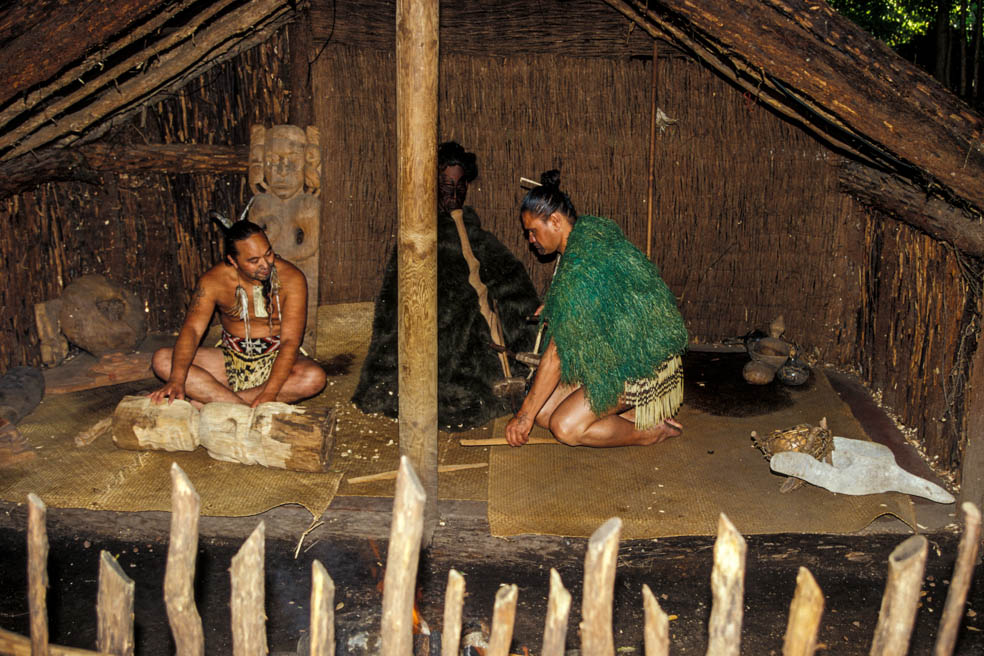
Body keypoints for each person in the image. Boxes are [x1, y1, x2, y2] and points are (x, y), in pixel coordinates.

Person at [352, 142, 540, 429]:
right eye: (445, 184)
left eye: (461, 184)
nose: (454, 192)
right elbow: (397, 308)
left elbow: (511, 280)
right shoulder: (419, 239)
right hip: (446, 346)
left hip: (489, 336)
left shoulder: (475, 234)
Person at [505, 170, 688, 447]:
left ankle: (650, 433)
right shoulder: (585, 235)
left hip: (641, 365)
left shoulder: (582, 266)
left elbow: (555, 356)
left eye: (533, 231)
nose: (531, 239)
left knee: (564, 427)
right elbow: (599, 299)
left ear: (555, 221)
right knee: (543, 413)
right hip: (616, 351)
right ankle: (636, 418)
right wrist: (558, 307)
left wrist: (522, 417)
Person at [150, 220, 326, 408]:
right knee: (162, 360)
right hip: (230, 361)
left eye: (268, 254)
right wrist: (177, 379)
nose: (265, 265)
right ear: (233, 261)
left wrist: (270, 392)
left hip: (277, 359)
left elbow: (290, 342)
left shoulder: (292, 278)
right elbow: (192, 330)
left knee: (314, 378)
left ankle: (215, 401)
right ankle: (239, 405)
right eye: (253, 261)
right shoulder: (213, 281)